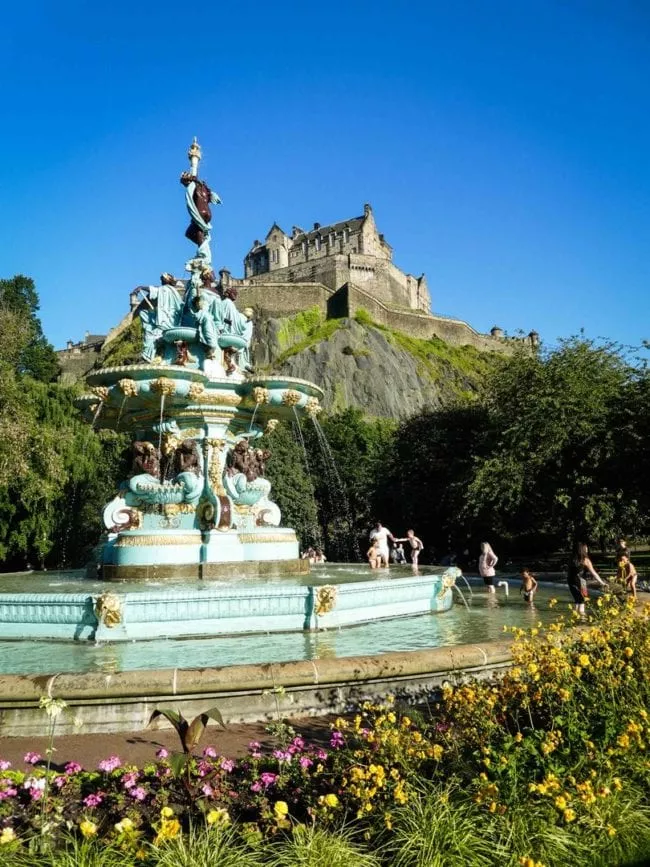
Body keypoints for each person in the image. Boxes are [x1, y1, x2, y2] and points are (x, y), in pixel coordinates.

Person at [567, 542, 607, 615]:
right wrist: (602, 583)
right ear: (583, 549)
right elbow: (594, 573)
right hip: (581, 582)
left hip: (570, 581)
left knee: (577, 600)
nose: (587, 549)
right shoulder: (585, 560)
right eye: (586, 548)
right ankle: (582, 620)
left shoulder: (571, 558)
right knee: (582, 601)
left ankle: (575, 617)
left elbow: (569, 572)